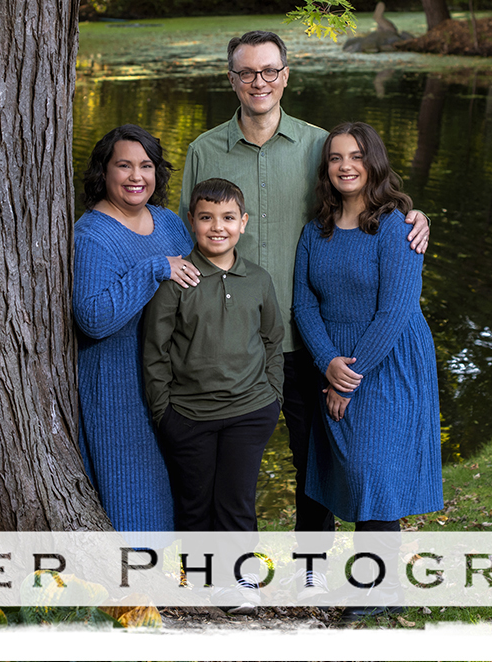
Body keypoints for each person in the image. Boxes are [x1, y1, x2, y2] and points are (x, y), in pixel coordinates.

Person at [178, 31, 431, 595]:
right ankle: (222, 574)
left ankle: (311, 572)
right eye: (247, 72)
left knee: (314, 459)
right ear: (232, 80)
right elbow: (182, 233)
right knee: (225, 464)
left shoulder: (319, 144)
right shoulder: (203, 150)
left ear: (286, 76)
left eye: (269, 70)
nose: (259, 82)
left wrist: (414, 215)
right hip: (226, 342)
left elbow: (363, 191)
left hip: (303, 342)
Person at [292, 121, 444, 616]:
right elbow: (304, 305)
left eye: (356, 156)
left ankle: (379, 590)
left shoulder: (397, 227)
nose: (346, 166)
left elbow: (396, 311)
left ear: (373, 162)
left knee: (372, 468)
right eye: (336, 157)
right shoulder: (315, 232)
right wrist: (327, 363)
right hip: (335, 359)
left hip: (390, 359)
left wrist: (348, 381)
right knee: (348, 469)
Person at [72, 124, 201, 532]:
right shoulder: (92, 235)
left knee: (181, 495)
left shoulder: (168, 222)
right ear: (104, 171)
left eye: (146, 166)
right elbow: (93, 319)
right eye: (124, 165)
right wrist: (154, 268)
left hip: (170, 386)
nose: (136, 176)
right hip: (119, 389)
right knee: (135, 505)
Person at [142, 177, 284, 535]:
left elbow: (272, 340)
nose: (217, 227)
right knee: (194, 506)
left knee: (237, 504)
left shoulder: (258, 280)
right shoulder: (177, 280)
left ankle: (238, 569)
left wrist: (273, 398)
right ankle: (199, 569)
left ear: (243, 223)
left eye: (228, 218)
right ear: (192, 221)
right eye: (206, 217)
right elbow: (156, 351)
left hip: (250, 412)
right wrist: (164, 413)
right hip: (189, 416)